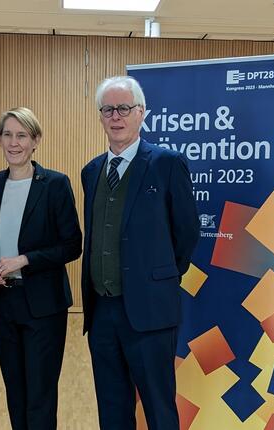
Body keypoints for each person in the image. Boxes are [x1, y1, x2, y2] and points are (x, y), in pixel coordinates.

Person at [80, 76, 200, 430]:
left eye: (124, 108)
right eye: (108, 110)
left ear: (141, 113)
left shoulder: (166, 164)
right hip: (101, 312)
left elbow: (187, 233)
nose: (116, 116)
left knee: (158, 408)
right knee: (112, 408)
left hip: (150, 312)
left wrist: (158, 278)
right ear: (100, 116)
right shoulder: (91, 172)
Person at [0, 107, 82, 430]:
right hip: (2, 303)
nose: (14, 143)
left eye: (22, 135)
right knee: (15, 391)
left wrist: (25, 260)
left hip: (43, 305)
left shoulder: (55, 184)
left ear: (35, 141)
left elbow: (72, 245)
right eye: (7, 135)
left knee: (40, 395)